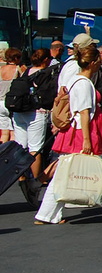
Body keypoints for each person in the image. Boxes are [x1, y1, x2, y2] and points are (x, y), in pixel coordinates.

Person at [34, 44, 102, 224]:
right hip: (83, 133)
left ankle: (46, 214)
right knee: (98, 170)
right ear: (94, 62)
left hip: (74, 132)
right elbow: (84, 113)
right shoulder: (84, 84)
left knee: (64, 172)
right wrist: (87, 140)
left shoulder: (75, 80)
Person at [12, 49, 52, 180]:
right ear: (46, 60)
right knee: (35, 147)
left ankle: (20, 176)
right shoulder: (46, 73)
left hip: (19, 111)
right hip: (36, 112)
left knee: (20, 146)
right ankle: (36, 179)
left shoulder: (26, 71)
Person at [0, 48, 24, 143]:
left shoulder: (1, 69)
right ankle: (12, 154)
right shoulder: (18, 69)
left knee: (4, 132)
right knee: (14, 132)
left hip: (0, 103)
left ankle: (2, 153)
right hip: (12, 103)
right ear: (16, 58)